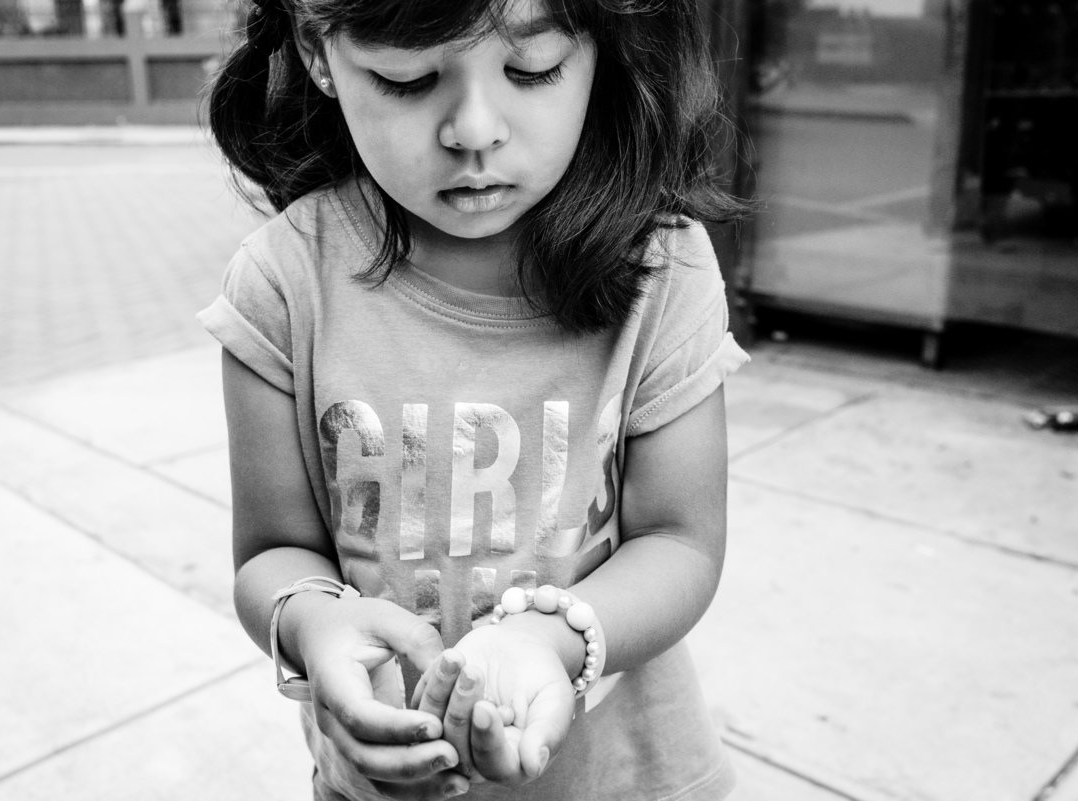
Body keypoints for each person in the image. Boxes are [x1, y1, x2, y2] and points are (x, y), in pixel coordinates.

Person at [199, 0, 752, 798]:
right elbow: (272, 553)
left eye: (532, 69)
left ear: (602, 48)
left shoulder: (664, 271)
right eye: (408, 79)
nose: (475, 130)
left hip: (624, 777)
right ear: (321, 55)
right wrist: (313, 623)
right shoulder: (283, 284)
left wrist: (550, 640)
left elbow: (682, 542)